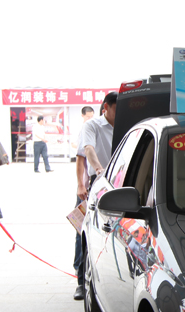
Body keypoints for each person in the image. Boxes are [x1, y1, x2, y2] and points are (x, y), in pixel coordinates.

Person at [76, 92, 117, 298]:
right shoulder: (92, 126)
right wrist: (95, 173)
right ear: (106, 108)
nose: (119, 114)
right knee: (84, 230)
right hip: (96, 182)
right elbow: (86, 151)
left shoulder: (126, 125)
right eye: (116, 109)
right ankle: (81, 280)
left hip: (118, 182)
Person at [72, 106, 95, 300]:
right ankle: (80, 281)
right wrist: (80, 185)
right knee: (81, 233)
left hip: (105, 188)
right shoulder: (89, 128)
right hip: (87, 191)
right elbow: (80, 159)